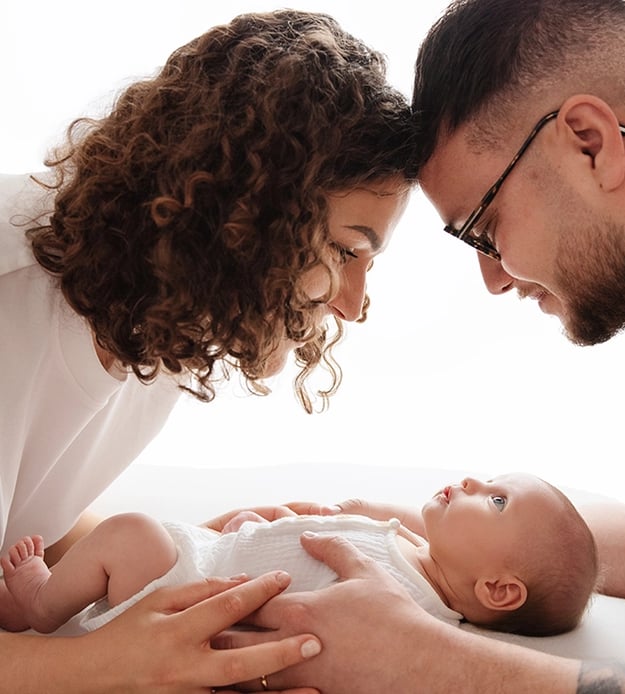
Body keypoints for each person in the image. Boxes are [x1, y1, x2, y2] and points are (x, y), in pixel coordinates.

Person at [215, 1, 625, 692]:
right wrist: (393, 540)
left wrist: (421, 659)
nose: (493, 279)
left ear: (591, 142)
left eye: (486, 227)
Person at [0, 8, 415, 691]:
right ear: (248, 213)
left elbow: (29, 515)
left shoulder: (161, 325)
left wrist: (191, 558)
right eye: (347, 250)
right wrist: (101, 664)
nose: (351, 304)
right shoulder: (15, 304)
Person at [0, 472, 597, 639]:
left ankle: (41, 603)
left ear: (498, 589)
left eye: (496, 501)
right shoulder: (414, 550)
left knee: (129, 532)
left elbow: (298, 616)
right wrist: (255, 531)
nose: (469, 479)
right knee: (132, 534)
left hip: (186, 593)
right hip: (214, 554)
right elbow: (305, 545)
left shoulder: (404, 608)